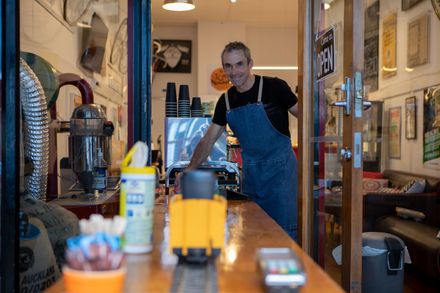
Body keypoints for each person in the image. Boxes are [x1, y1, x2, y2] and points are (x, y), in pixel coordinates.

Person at [180, 41, 298, 240]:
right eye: (228, 66)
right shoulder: (225, 101)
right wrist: (189, 170)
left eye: (239, 64)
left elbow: (306, 117)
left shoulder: (275, 87)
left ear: (250, 64)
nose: (234, 71)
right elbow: (209, 139)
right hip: (252, 179)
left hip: (282, 178)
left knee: (283, 237)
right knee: (254, 235)